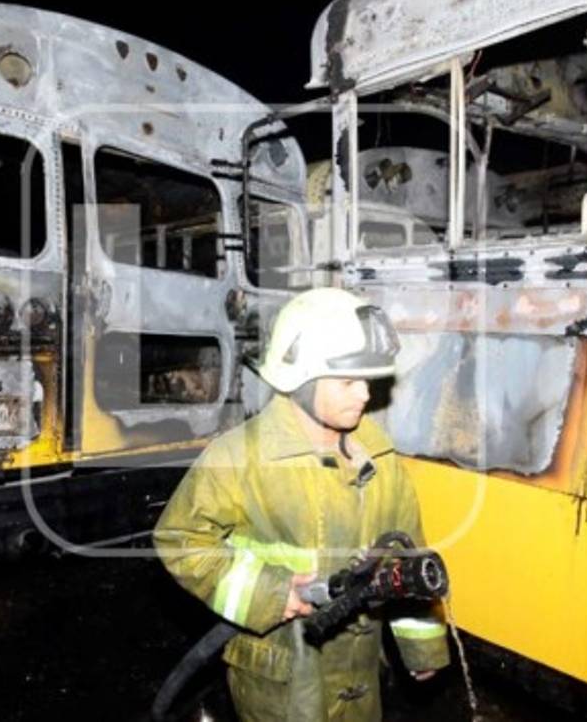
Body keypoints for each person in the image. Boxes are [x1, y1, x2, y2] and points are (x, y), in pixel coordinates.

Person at [154, 287, 450, 721]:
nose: (365, 395)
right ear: (302, 381)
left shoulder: (381, 461)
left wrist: (421, 647)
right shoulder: (241, 458)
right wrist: (269, 591)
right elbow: (180, 539)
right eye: (348, 381)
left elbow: (407, 558)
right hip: (281, 679)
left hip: (360, 676)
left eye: (368, 380)